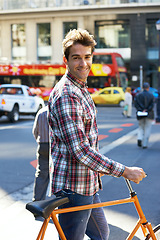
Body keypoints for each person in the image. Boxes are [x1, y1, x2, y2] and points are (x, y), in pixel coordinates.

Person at [48, 28, 146, 240]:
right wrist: (124, 171)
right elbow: (81, 151)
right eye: (76, 58)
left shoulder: (81, 89)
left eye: (87, 57)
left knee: (102, 233)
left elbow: (87, 141)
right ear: (66, 60)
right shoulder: (67, 94)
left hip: (87, 183)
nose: (83, 63)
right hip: (73, 188)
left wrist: (99, 170)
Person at [32, 106, 50, 201]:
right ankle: (57, 201)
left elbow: (35, 131)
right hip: (56, 146)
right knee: (58, 174)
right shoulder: (58, 110)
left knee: (41, 173)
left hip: (42, 145)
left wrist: (40, 141)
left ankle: (37, 200)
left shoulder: (41, 112)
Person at [134, 82, 154, 149]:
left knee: (141, 127)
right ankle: (145, 144)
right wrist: (147, 110)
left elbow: (136, 104)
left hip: (140, 114)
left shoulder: (138, 95)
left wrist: (141, 109)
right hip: (149, 114)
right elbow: (152, 105)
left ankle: (139, 138)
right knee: (147, 128)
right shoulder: (151, 95)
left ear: (142, 88)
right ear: (148, 88)